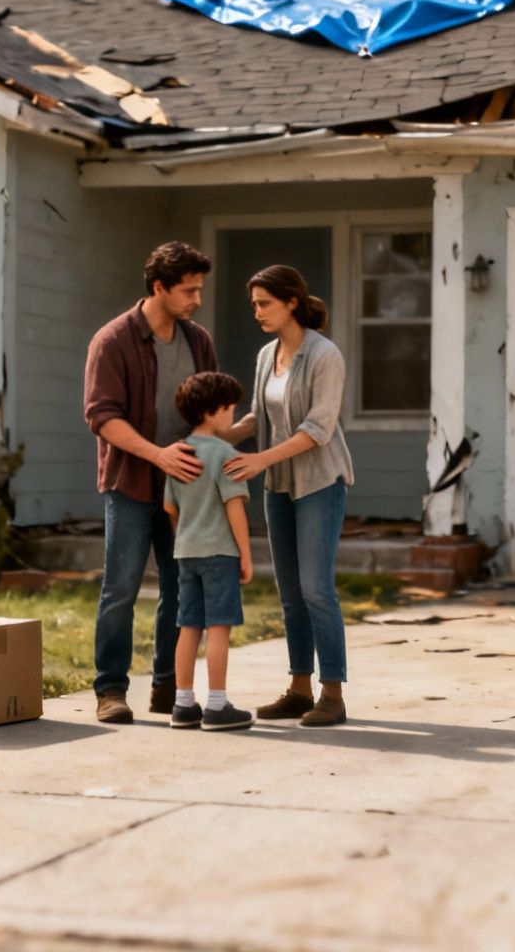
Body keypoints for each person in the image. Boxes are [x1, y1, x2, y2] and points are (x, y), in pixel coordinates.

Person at [83, 242, 218, 724]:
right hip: (132, 484)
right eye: (188, 290)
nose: (196, 299)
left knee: (182, 589)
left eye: (199, 289)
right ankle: (110, 690)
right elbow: (102, 417)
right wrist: (157, 453)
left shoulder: (198, 340)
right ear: (159, 287)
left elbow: (207, 410)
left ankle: (168, 689)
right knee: (120, 588)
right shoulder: (113, 340)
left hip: (185, 488)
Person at [225, 265, 354, 728]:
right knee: (290, 594)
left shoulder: (325, 355)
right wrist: (218, 437)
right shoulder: (266, 355)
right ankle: (300, 689)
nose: (257, 312)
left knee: (317, 589)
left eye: (264, 304)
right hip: (278, 485)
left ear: (291, 303)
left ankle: (332, 694)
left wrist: (259, 460)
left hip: (320, 482)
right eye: (254, 304)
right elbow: (258, 417)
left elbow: (318, 429)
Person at [162, 371, 257, 732]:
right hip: (220, 554)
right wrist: (245, 555)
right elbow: (235, 507)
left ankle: (183, 704)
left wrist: (187, 536)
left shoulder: (179, 454)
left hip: (186, 552)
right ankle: (217, 705)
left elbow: (171, 510)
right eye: (230, 408)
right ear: (211, 411)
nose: (233, 415)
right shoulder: (225, 455)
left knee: (188, 626)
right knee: (219, 628)